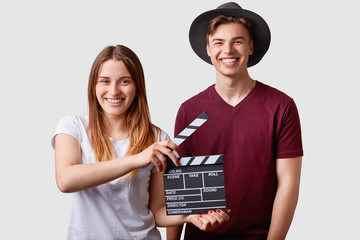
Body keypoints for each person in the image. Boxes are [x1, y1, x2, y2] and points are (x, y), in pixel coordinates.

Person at [51, 45, 229, 240]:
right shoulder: (72, 127)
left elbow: (157, 211)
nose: (114, 90)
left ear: (137, 88)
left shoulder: (158, 139)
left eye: (124, 81)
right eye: (105, 81)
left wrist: (190, 216)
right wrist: (136, 160)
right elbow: (66, 180)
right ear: (93, 86)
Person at [166, 2, 303, 240]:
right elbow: (180, 189)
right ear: (208, 48)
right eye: (218, 42)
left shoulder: (281, 106)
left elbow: (288, 185)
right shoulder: (189, 110)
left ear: (250, 47)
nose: (228, 50)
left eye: (237, 41)